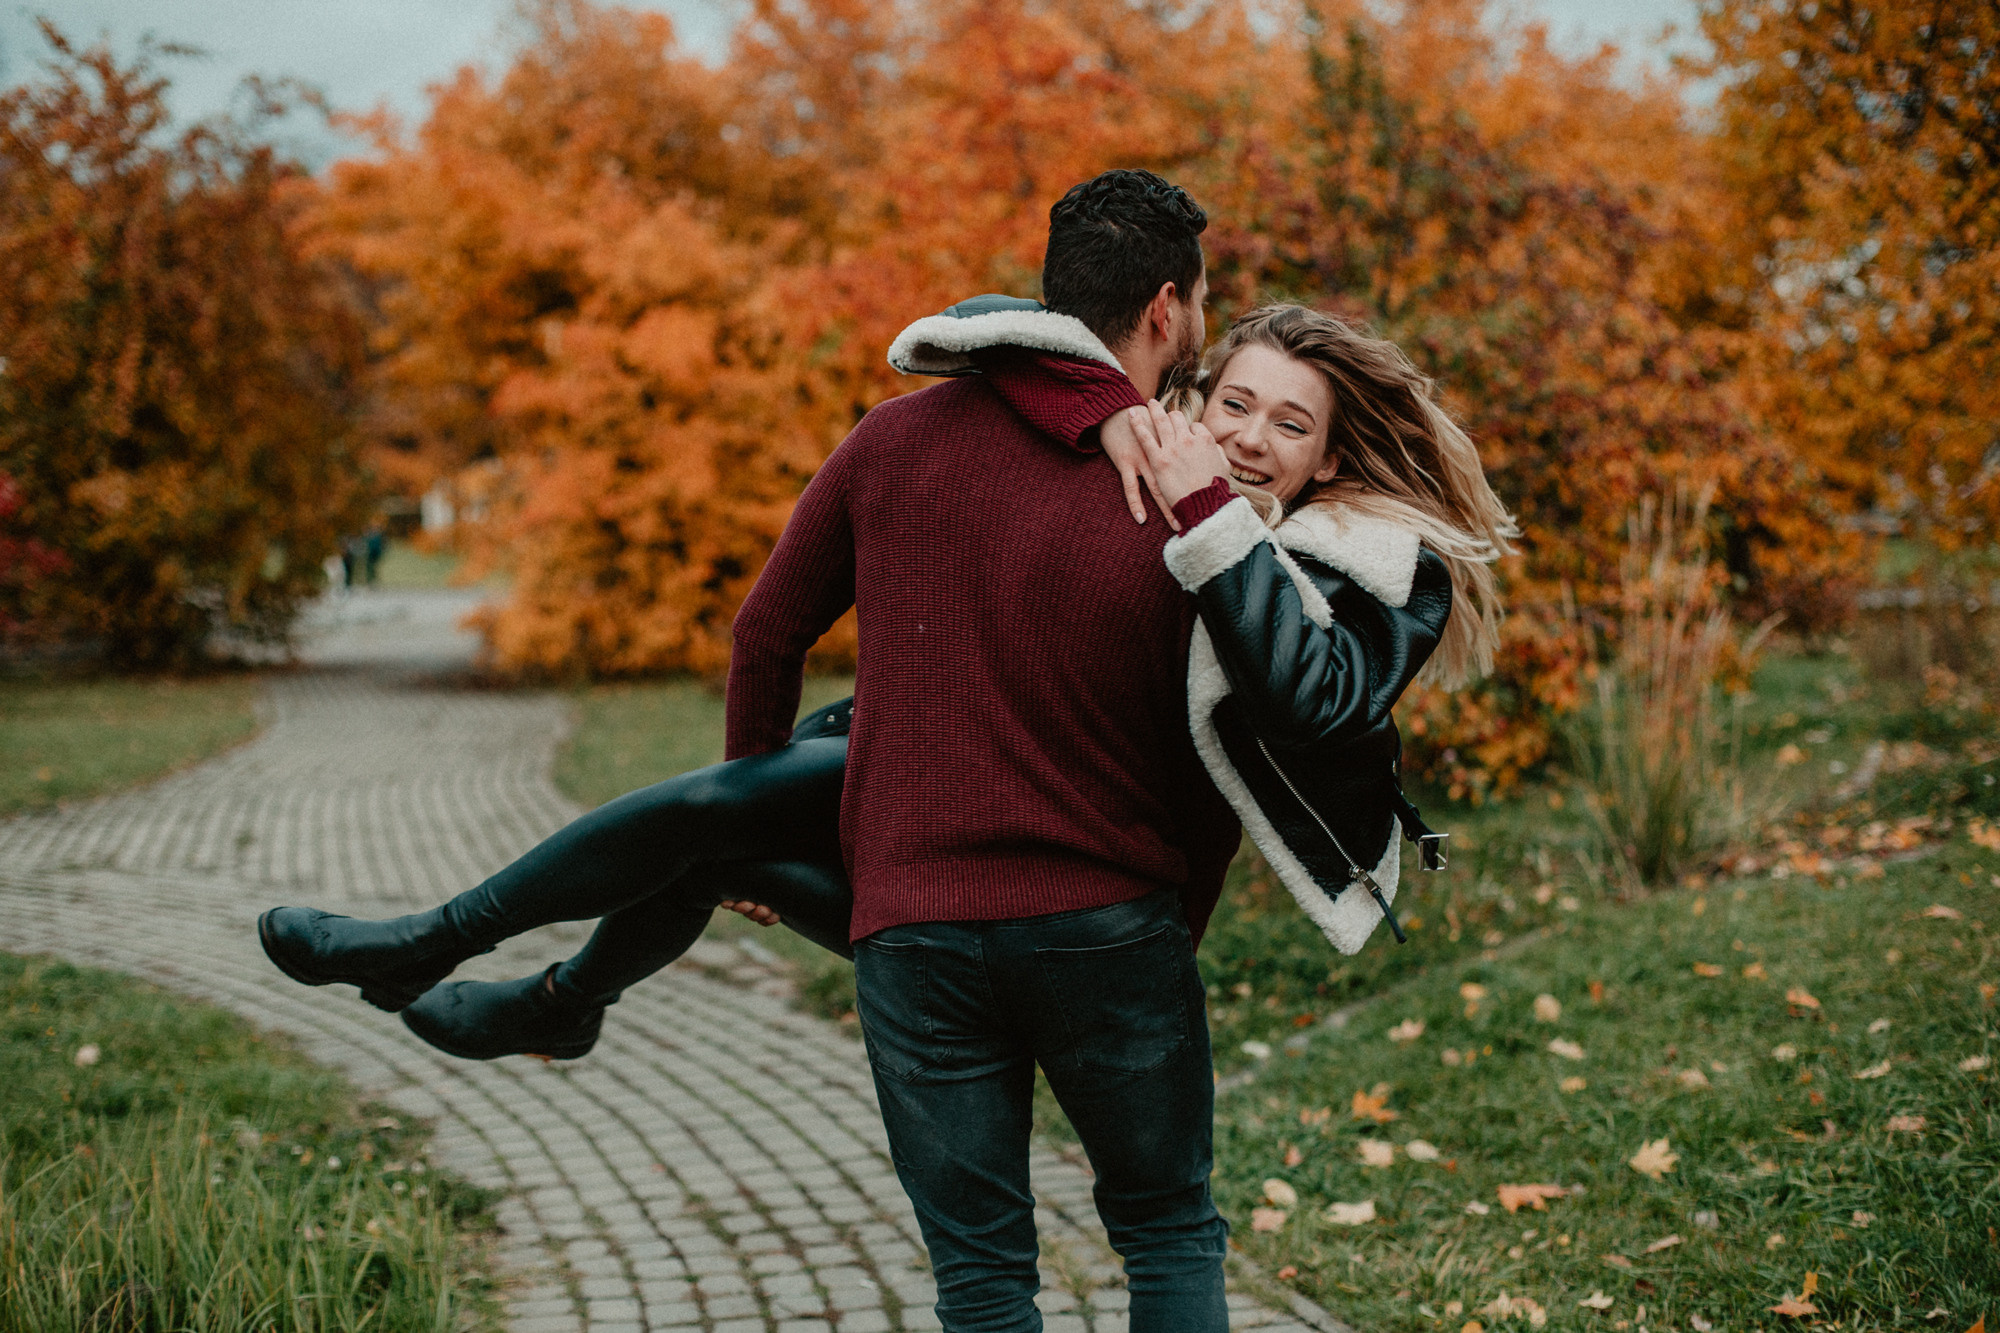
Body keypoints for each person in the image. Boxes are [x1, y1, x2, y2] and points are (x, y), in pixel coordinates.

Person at [259, 170, 1514, 1330]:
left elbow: (767, 627)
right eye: (1231, 399)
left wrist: (748, 804)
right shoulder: (1158, 488)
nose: (1244, 433)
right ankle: (521, 985)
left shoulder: (1224, 535)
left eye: (1284, 422)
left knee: (988, 1269)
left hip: (940, 923)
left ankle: (512, 981)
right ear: (1174, 318)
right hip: (1084, 928)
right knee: (1166, 1236)